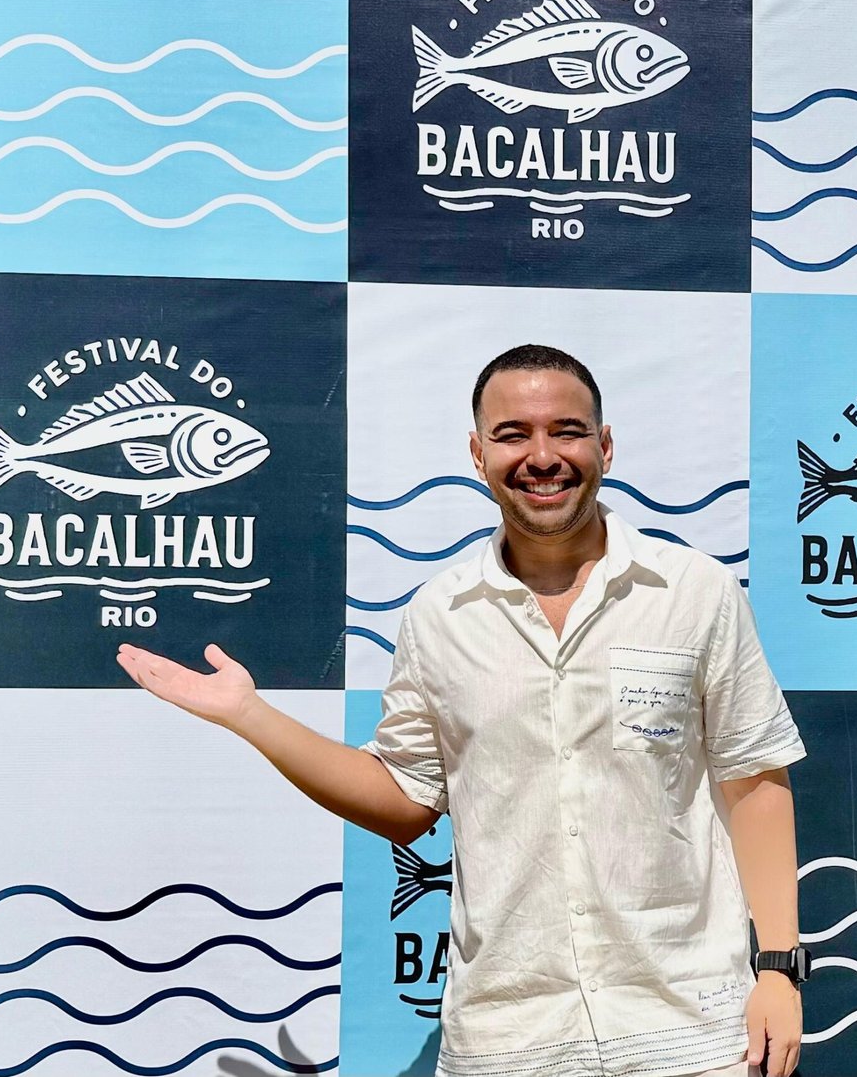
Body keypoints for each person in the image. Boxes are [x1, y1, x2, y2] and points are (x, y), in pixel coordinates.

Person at [118, 344, 808, 1077]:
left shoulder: (696, 591)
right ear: (478, 455)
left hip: (692, 1036)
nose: (542, 456)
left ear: (605, 446)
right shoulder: (438, 617)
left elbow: (754, 780)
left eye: (567, 431)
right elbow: (403, 801)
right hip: (506, 1043)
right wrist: (249, 716)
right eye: (513, 435)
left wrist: (778, 969)